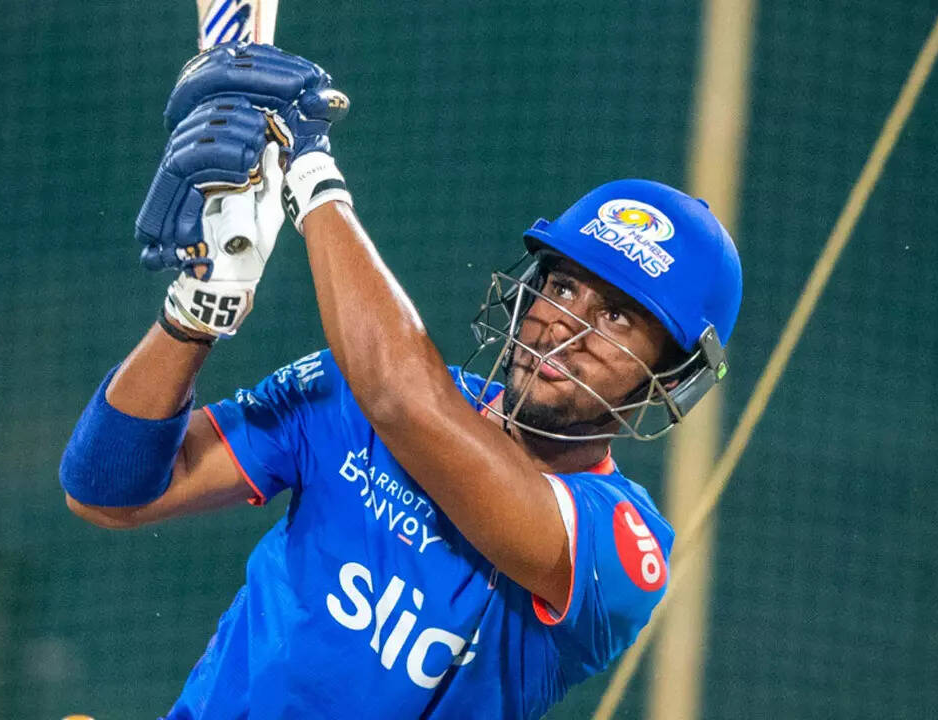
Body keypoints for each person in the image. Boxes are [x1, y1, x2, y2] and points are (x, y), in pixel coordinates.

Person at [60, 43, 742, 719]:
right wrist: (196, 312)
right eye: (561, 286)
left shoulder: (622, 549)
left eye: (617, 316)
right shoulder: (349, 389)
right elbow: (106, 494)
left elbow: (404, 402)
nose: (565, 324)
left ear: (668, 376)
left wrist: (313, 174)